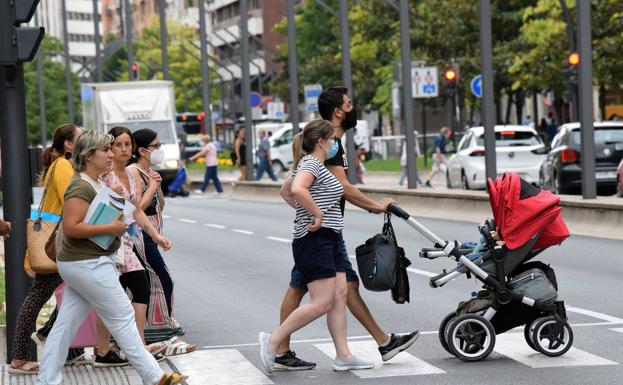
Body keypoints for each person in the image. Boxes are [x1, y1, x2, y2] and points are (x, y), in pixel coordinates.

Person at [276, 86, 419, 371]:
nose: (353, 108)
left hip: (326, 230)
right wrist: (375, 206)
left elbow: (293, 188)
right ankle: (277, 347)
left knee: (339, 286)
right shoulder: (331, 146)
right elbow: (342, 187)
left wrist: (309, 213)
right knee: (306, 288)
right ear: (339, 111)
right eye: (349, 103)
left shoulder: (332, 144)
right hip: (321, 234)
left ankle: (374, 344)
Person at [35, 130, 187, 385]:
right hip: (88, 264)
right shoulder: (79, 186)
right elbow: (72, 227)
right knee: (123, 316)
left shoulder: (95, 182)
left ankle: (46, 379)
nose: (110, 154)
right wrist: (109, 228)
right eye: (105, 150)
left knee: (65, 325)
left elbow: (112, 214)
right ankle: (155, 377)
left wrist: (115, 197)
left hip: (85, 263)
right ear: (88, 155)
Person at [260, 119, 373, 373]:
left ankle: (344, 355)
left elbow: (286, 191)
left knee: (339, 296)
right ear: (321, 142)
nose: (335, 144)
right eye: (332, 139)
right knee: (321, 302)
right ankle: (273, 340)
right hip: (315, 240)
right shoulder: (311, 163)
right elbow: (297, 190)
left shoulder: (313, 165)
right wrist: (315, 214)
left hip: (329, 238)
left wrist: (307, 211)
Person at [94, 127, 173, 367]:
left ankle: (136, 346)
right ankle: (104, 350)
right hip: (107, 243)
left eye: (127, 144)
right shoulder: (105, 176)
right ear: (109, 148)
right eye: (118, 145)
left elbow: (137, 210)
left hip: (127, 243)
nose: (123, 149)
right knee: (110, 298)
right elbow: (98, 207)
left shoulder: (129, 175)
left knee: (141, 289)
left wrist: (156, 235)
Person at [9, 124, 83, 375]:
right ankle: (20, 357)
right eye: (80, 139)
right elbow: (71, 198)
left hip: (61, 242)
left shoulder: (65, 165)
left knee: (79, 294)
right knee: (38, 297)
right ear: (69, 145)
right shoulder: (63, 165)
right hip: (56, 243)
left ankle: (65, 346)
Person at [128, 129, 196, 355]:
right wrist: (153, 187)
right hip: (139, 233)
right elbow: (138, 207)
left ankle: (148, 334)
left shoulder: (149, 172)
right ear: (143, 150)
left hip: (151, 231)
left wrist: (156, 185)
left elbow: (160, 205)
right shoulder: (134, 171)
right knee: (163, 280)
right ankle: (165, 334)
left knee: (149, 283)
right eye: (156, 146)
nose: (160, 150)